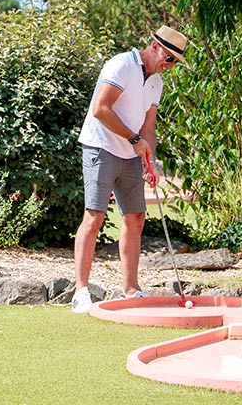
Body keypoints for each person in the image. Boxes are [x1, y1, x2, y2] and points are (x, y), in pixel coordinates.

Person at [70, 25, 189, 313]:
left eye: (175, 61)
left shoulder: (156, 83)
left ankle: (131, 289)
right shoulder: (122, 64)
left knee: (135, 217)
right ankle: (81, 292)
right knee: (95, 216)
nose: (169, 65)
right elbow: (101, 109)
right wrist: (134, 139)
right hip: (100, 147)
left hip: (130, 153)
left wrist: (150, 161)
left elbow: (149, 128)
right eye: (168, 58)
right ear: (155, 46)